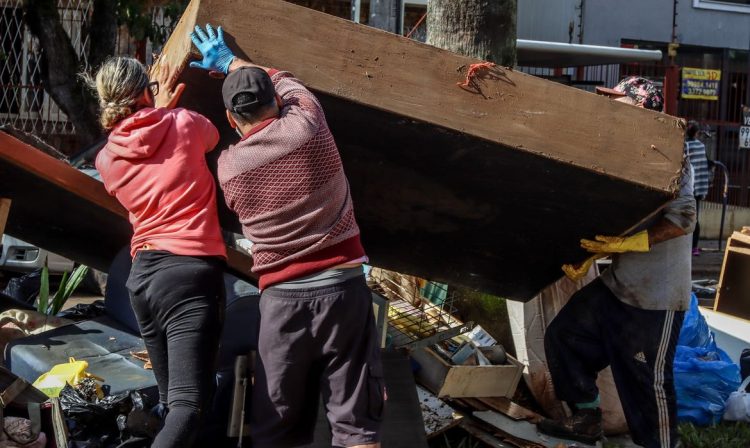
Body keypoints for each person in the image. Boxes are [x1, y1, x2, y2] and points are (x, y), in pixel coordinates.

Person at [189, 24, 384, 448]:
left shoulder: (230, 167)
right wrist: (231, 62)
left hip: (280, 305)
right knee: (356, 426)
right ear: (276, 102)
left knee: (277, 430)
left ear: (229, 120)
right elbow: (289, 82)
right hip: (342, 292)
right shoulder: (308, 127)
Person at [539, 77, 696, 448]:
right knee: (565, 336)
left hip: (655, 296)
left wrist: (628, 243)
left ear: (640, 106)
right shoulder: (619, 150)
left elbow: (682, 219)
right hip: (619, 285)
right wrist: (594, 253)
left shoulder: (671, 152)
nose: (609, 105)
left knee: (647, 383)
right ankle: (587, 418)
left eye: (617, 99)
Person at [90, 57, 226, 448]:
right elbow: (212, 137)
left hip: (144, 278)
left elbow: (143, 142)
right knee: (189, 407)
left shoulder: (106, 160)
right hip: (188, 274)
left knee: (170, 402)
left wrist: (155, 109)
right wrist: (163, 109)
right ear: (146, 91)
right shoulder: (184, 123)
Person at [685, 120, 710, 255]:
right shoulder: (700, 146)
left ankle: (686, 246)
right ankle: (693, 247)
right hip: (697, 189)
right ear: (696, 133)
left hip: (685, 188)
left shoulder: (683, 145)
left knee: (685, 217)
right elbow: (703, 167)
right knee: (695, 218)